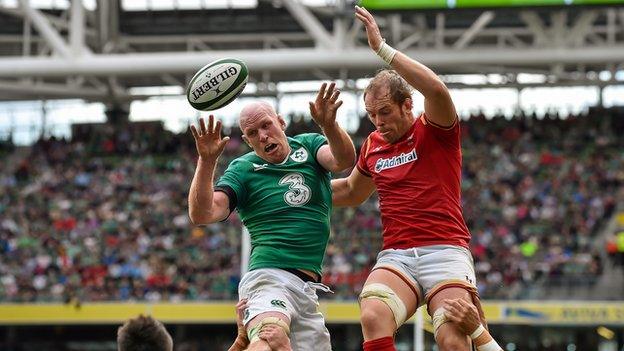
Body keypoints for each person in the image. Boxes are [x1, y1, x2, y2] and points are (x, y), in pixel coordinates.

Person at [330, 5, 493, 351]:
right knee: (373, 315)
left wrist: (382, 50)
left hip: (445, 250)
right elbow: (350, 191)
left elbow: (436, 89)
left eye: (385, 112)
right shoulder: (372, 145)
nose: (378, 122)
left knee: (452, 338)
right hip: (398, 255)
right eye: (372, 115)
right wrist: (294, 191)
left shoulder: (434, 130)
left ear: (408, 106)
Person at [188, 82, 356, 351]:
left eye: (266, 125)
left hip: (306, 289)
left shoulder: (310, 146)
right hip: (269, 278)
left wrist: (330, 125)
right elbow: (203, 213)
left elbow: (343, 160)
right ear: (247, 140)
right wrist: (206, 160)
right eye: (253, 133)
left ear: (281, 122)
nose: (263, 135)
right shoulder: (243, 169)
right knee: (270, 338)